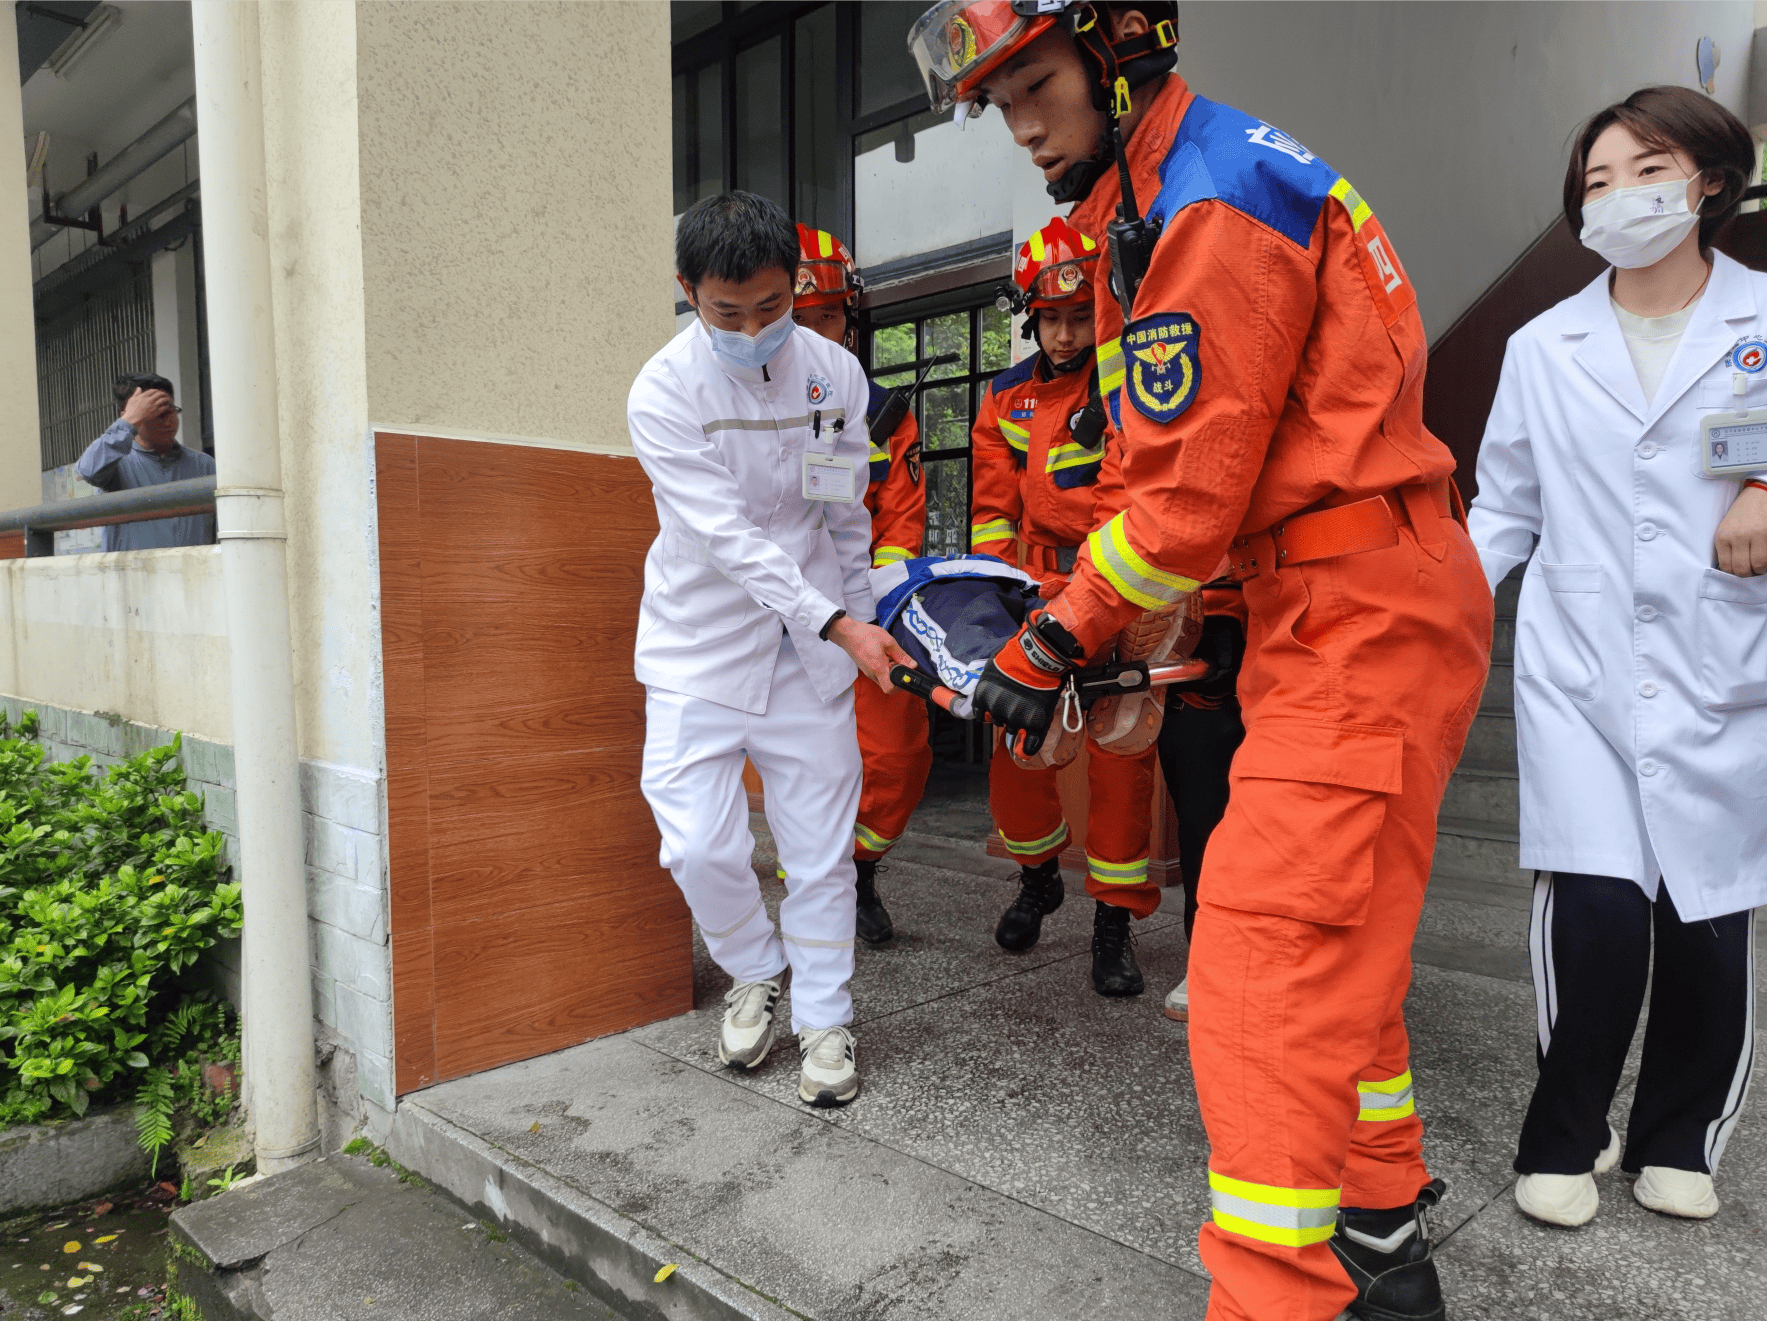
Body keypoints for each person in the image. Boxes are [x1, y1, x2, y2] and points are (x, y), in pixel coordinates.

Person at [907, 4, 1492, 1319]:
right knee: (1332, 945)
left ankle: (1273, 1295)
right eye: (999, 103)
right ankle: (1383, 1237)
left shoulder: (1205, 202)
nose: (1021, 126)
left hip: (1352, 603)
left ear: (1119, 52)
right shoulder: (1185, 185)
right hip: (1330, 595)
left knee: (1258, 962)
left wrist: (1051, 637)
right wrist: (1136, 636)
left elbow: (1180, 501)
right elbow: (1190, 491)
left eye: (1037, 85)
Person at [1470, 86, 1767, 1229]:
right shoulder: (1543, 345)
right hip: (1580, 663)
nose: (1618, 196)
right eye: (1596, 182)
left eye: (1643, 170)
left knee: (1707, 917)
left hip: (1717, 655)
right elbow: (1505, 507)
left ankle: (1681, 1137)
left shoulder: (1761, 316)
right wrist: (1442, 599)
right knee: (1593, 913)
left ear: (1706, 181)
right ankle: (1568, 1133)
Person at [629, 191, 913, 1108]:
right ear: (688, 291)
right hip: (697, 646)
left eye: (770, 307)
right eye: (727, 313)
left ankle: (826, 1021)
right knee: (695, 845)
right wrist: (833, 620)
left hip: (809, 656)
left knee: (820, 851)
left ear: (795, 284)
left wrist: (862, 630)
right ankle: (756, 966)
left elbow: (842, 513)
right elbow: (722, 535)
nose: (752, 328)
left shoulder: (832, 373)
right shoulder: (663, 390)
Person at [969, 215, 1160, 997]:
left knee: (1121, 764)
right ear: (1031, 318)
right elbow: (991, 509)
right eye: (1050, 318)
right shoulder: (1003, 397)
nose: (1064, 333)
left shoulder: (1129, 387)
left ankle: (1112, 923)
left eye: (1080, 315)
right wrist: (994, 595)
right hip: (1031, 596)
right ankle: (1037, 876)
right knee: (1018, 752)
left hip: (1114, 595)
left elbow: (1137, 496)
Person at [790, 223, 930, 945]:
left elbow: (902, 519)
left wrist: (870, 608)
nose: (818, 333)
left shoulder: (882, 414)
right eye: (801, 318)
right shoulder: (747, 408)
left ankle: (859, 866)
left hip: (865, 611)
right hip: (778, 619)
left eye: (830, 316)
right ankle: (815, 887)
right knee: (803, 764)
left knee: (898, 757)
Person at [75, 374, 216, 550]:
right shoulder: (116, 464)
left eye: (170, 410)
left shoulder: (204, 465)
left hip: (195, 575)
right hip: (135, 576)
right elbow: (87, 470)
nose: (168, 420)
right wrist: (128, 421)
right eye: (156, 412)